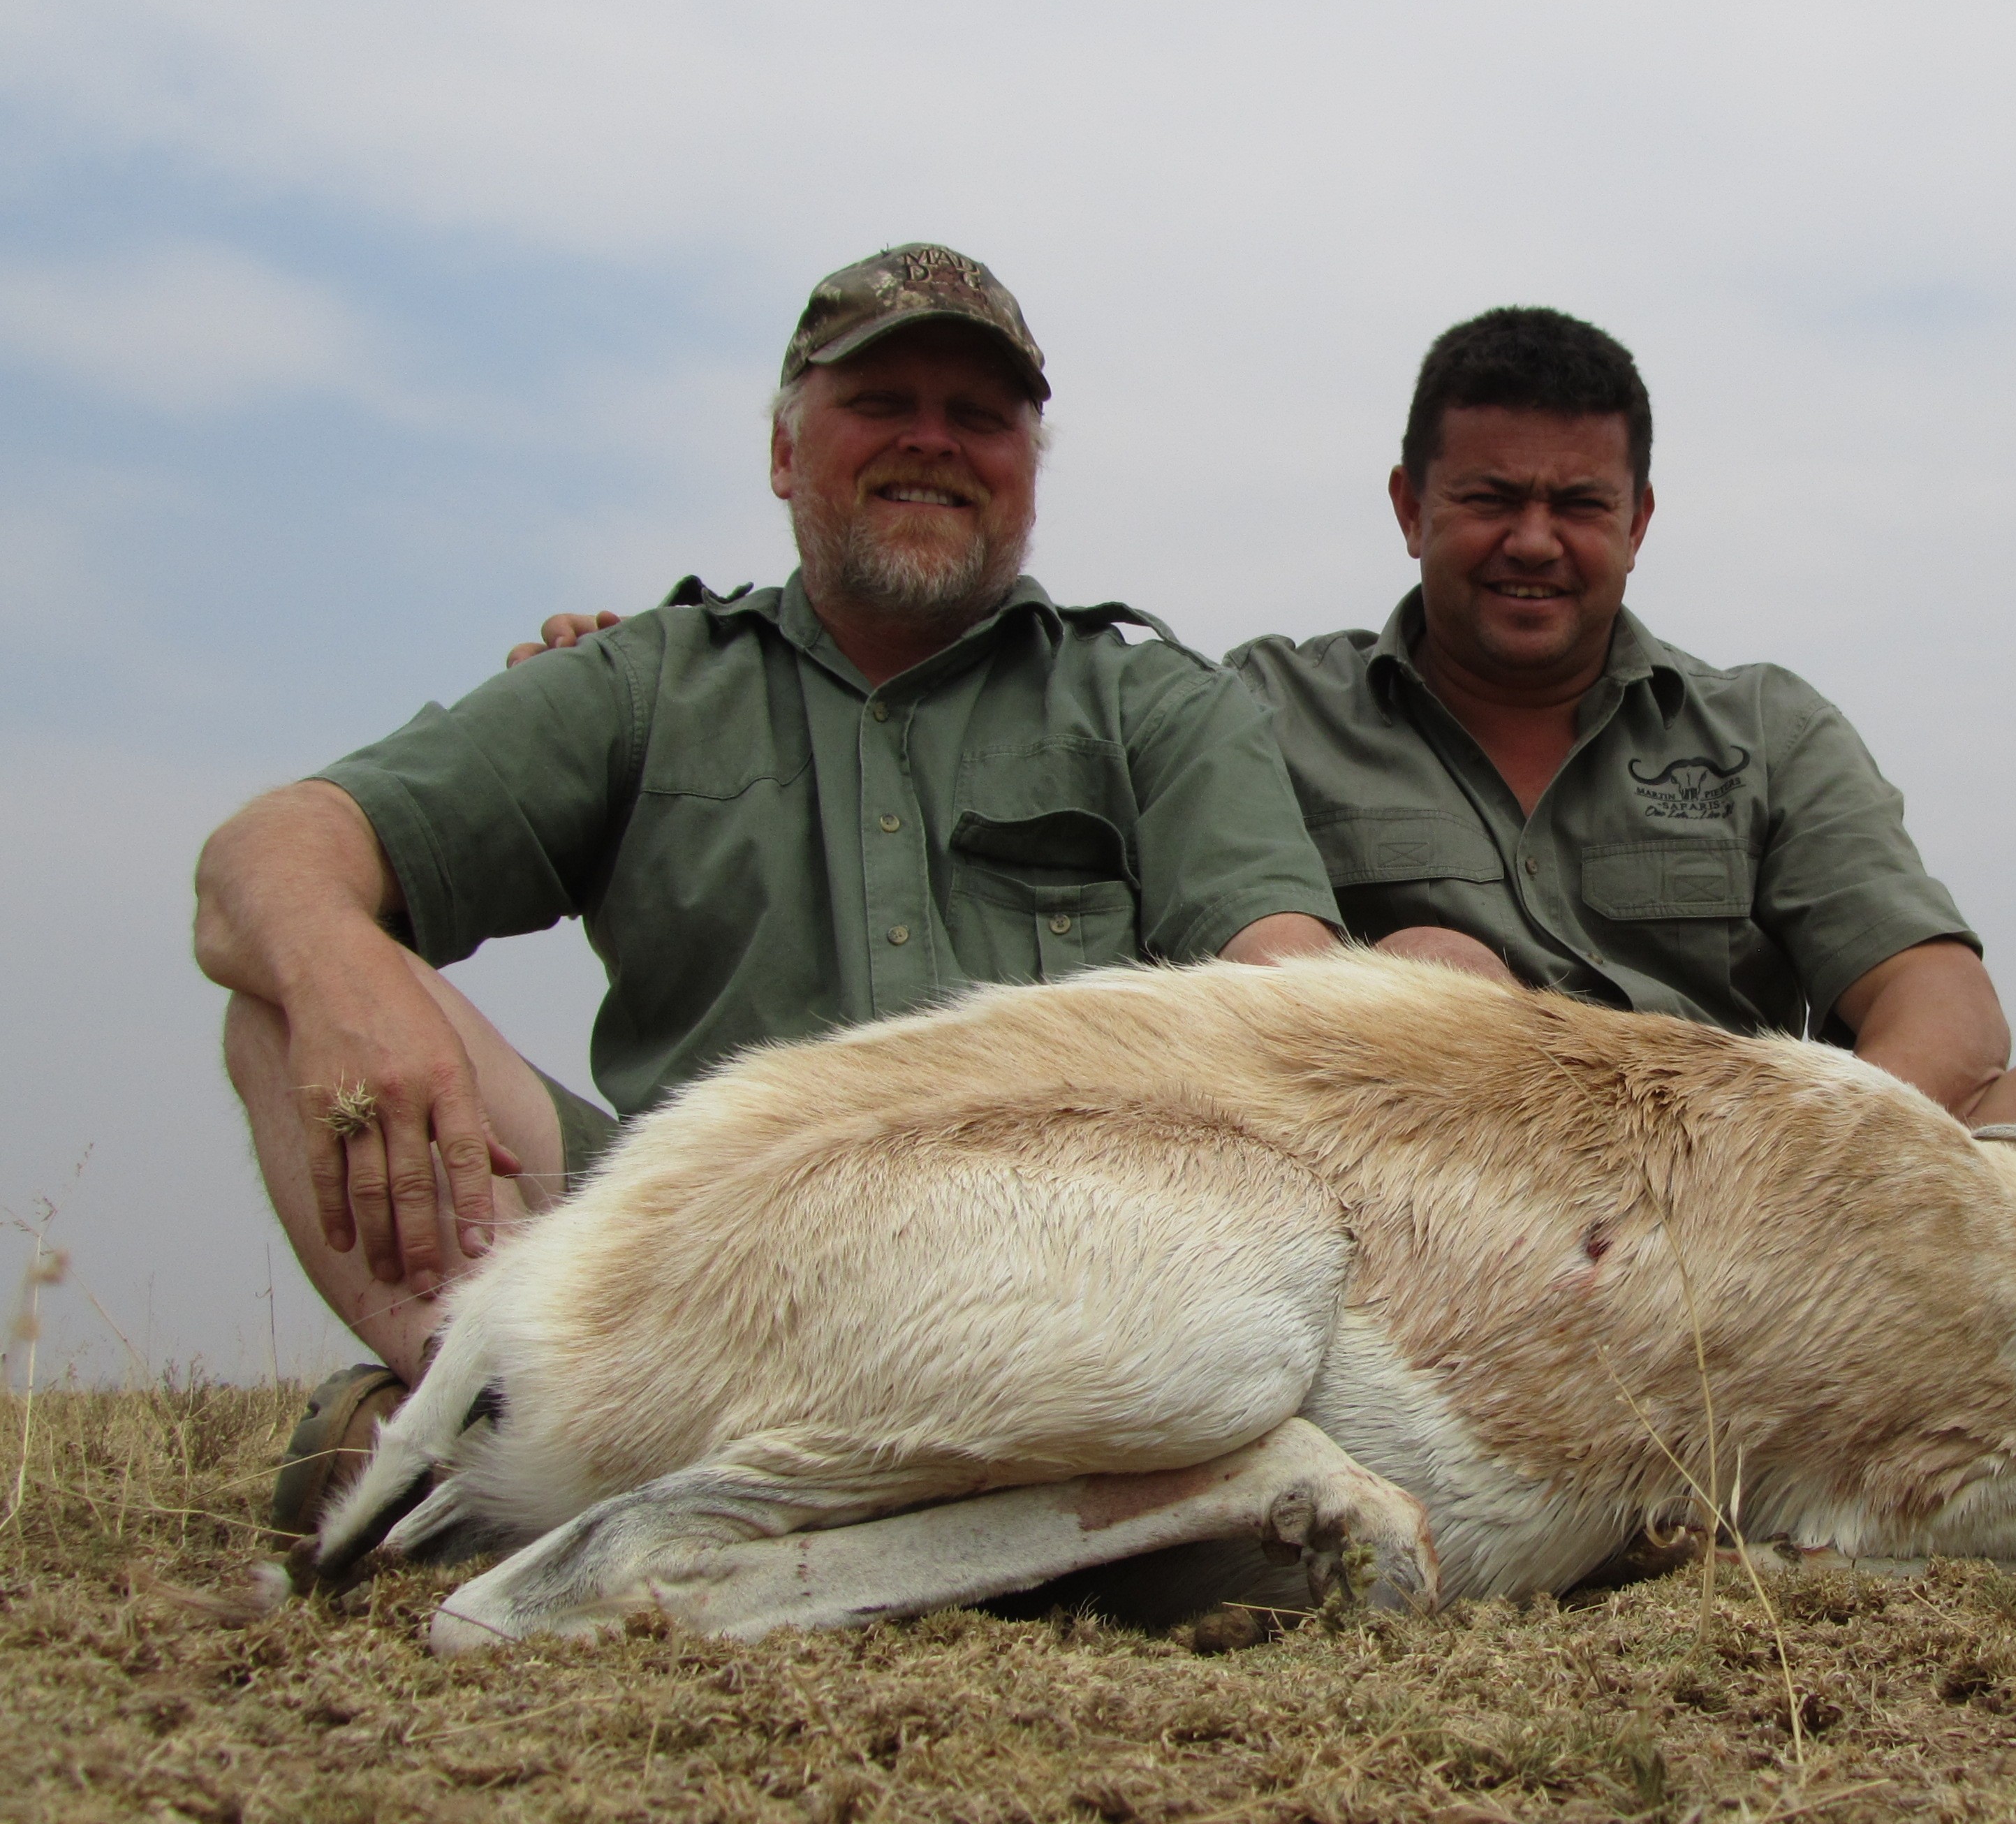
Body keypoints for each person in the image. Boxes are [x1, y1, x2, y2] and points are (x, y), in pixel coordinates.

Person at [197, 244, 1343, 1526]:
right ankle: (526, 1422)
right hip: (688, 1274)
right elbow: (265, 854)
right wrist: (349, 975)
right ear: (787, 454)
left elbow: (1283, 985)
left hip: (1056, 1282)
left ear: (1029, 466)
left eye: (978, 416)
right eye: (881, 404)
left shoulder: (1159, 704)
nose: (934, 442)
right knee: (286, 1002)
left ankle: (529, 1484)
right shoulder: (642, 681)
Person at [1223, 307, 2016, 1128]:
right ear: (1410, 508)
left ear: (1639, 523)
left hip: (1749, 1199)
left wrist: (1805, 1170)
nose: (1535, 541)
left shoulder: (1770, 730)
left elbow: (1939, 995)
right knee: (1436, 973)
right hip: (1421, 1196)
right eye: (1491, 499)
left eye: (1581, 504)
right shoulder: (1261, 710)